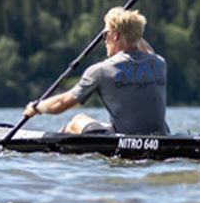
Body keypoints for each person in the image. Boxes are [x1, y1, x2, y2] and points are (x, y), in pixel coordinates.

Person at [24, 7, 170, 135]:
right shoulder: (159, 64)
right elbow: (144, 48)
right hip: (160, 136)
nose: (104, 41)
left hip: (123, 140)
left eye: (105, 35)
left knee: (78, 120)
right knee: (104, 125)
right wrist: (131, 30)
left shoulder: (101, 70)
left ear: (115, 36)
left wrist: (37, 107)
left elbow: (62, 103)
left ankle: (55, 154)